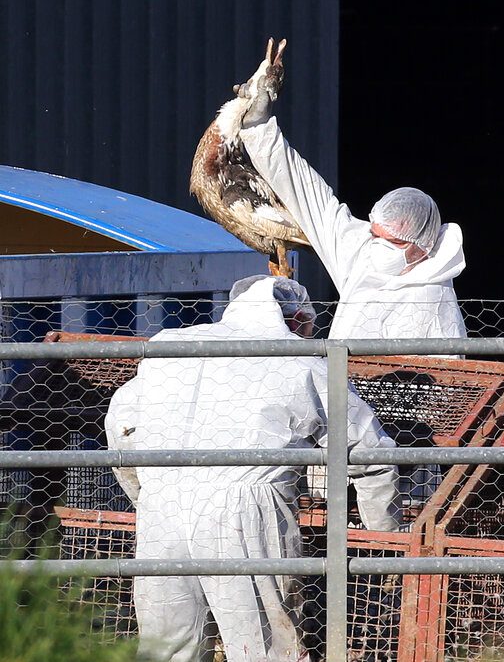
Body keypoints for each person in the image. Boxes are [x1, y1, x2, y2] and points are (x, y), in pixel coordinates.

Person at [105, 275, 401, 662]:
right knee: (262, 644)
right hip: (244, 512)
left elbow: (121, 425)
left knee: (168, 645)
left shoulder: (171, 344)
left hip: (163, 507)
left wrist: (145, 494)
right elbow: (368, 451)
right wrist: (387, 538)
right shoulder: (300, 362)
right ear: (295, 319)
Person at [234, 57, 467, 342]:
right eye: (374, 234)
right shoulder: (361, 253)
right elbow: (308, 193)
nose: (377, 245)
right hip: (338, 384)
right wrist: (258, 127)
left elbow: (439, 380)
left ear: (422, 248)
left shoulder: (434, 304)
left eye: (391, 241)